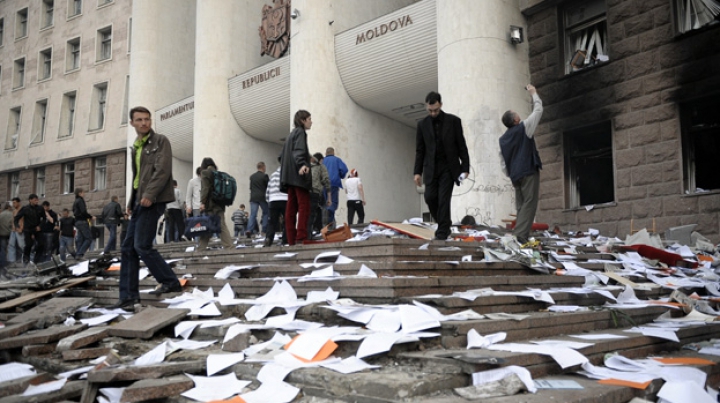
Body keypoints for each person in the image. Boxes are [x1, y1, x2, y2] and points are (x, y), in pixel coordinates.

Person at [110, 106, 183, 310]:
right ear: (132, 123)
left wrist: (150, 194)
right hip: (139, 200)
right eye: (139, 120)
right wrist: (132, 201)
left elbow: (163, 170)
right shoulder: (136, 146)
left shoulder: (160, 141)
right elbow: (137, 178)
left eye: (147, 119)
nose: (144, 123)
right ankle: (128, 297)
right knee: (127, 247)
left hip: (153, 199)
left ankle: (170, 282)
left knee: (141, 245)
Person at [413, 91, 470, 240]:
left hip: (448, 168)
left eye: (436, 110)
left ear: (441, 105)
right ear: (426, 107)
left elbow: (461, 146)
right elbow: (420, 150)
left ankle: (442, 232)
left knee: (444, 199)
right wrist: (417, 172)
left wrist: (465, 168)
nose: (433, 113)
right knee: (430, 198)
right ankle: (445, 223)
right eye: (430, 110)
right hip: (430, 168)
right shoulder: (422, 125)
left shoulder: (454, 121)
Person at [499, 84, 544, 244]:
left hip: (514, 175)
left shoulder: (503, 140)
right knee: (529, 203)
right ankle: (520, 236)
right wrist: (534, 93)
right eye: (517, 114)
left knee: (521, 205)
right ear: (516, 120)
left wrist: (511, 173)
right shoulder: (524, 128)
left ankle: (520, 233)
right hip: (527, 170)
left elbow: (503, 162)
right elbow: (538, 112)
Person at [280, 110, 313, 245]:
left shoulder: (289, 136)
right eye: (309, 119)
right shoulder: (300, 132)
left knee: (291, 208)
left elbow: (281, 157)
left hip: (288, 177)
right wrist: (302, 164)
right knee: (304, 206)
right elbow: (299, 151)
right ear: (302, 120)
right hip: (298, 176)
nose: (311, 121)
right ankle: (301, 237)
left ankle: (291, 239)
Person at [198, 157, 234, 250]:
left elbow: (205, 189)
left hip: (210, 205)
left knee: (207, 226)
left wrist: (202, 202)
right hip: (220, 204)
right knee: (221, 225)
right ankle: (229, 246)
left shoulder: (205, 173)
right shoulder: (219, 174)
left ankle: (201, 249)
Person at [14, 194, 46, 266]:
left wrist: (40, 226)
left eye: (37, 200)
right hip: (28, 229)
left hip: (37, 228)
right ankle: (26, 259)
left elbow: (44, 219)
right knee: (29, 244)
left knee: (42, 244)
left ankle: (36, 260)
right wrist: (17, 226)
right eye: (35, 200)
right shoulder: (25, 208)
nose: (36, 201)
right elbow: (16, 218)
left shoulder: (40, 208)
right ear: (30, 200)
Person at [322, 147, 348, 227]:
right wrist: (340, 175)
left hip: (323, 184)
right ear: (333, 152)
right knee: (333, 203)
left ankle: (326, 224)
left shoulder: (322, 161)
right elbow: (344, 169)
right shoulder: (337, 160)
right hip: (333, 183)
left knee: (324, 203)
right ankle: (330, 220)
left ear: (326, 153)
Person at [309, 153, 331, 237]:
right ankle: (313, 231)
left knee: (308, 212)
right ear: (320, 160)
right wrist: (329, 197)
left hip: (305, 193)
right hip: (315, 192)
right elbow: (326, 181)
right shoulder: (321, 167)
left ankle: (311, 231)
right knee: (314, 212)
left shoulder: (306, 167)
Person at [246, 162, 269, 237]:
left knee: (253, 214)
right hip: (262, 197)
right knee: (266, 213)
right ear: (263, 167)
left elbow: (251, 187)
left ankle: (249, 230)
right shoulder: (265, 176)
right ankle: (264, 230)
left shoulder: (252, 176)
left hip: (253, 197)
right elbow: (268, 187)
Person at [73, 188, 94, 259]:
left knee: (80, 239)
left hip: (77, 222)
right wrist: (90, 217)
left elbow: (74, 211)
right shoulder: (80, 200)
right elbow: (83, 212)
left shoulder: (75, 201)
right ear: (80, 193)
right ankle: (80, 253)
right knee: (89, 238)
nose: (84, 194)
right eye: (83, 192)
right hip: (82, 221)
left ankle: (78, 255)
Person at [7, 197, 25, 266]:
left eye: (14, 202)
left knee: (22, 245)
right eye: (13, 203)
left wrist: (21, 228)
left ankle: (24, 260)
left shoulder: (22, 210)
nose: (13, 204)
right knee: (11, 245)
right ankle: (12, 261)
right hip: (13, 230)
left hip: (19, 229)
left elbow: (24, 220)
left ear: (18, 202)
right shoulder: (14, 211)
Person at [0, 202, 13, 278]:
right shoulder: (11, 214)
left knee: (3, 250)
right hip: (9, 234)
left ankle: (2, 263)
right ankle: (6, 264)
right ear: (9, 207)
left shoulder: (1, 214)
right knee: (9, 249)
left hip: (1, 234)